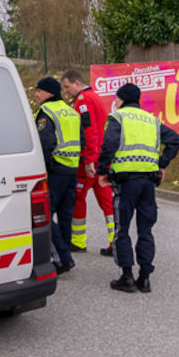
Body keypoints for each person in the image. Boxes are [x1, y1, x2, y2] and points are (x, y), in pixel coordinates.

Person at [97, 82, 179, 293]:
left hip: (126, 183)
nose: (114, 102)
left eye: (116, 99)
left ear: (122, 99)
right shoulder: (152, 120)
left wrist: (102, 171)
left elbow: (108, 145)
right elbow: (175, 140)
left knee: (122, 229)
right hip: (148, 183)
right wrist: (162, 164)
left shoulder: (117, 117)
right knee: (146, 230)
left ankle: (126, 277)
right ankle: (144, 278)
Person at [33, 76, 87, 273]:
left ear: (49, 92)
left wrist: (42, 168)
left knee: (45, 215)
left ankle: (62, 257)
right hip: (71, 170)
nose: (36, 95)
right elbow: (82, 140)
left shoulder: (46, 112)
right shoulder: (71, 113)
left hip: (54, 171)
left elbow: (45, 143)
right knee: (65, 216)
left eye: (39, 91)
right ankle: (66, 256)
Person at [61, 69, 116, 257]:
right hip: (102, 158)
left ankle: (77, 241)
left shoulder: (83, 100)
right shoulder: (96, 97)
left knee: (78, 197)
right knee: (107, 201)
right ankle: (115, 241)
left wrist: (89, 160)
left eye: (67, 87)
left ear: (77, 83)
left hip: (89, 161)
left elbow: (89, 131)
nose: (66, 91)